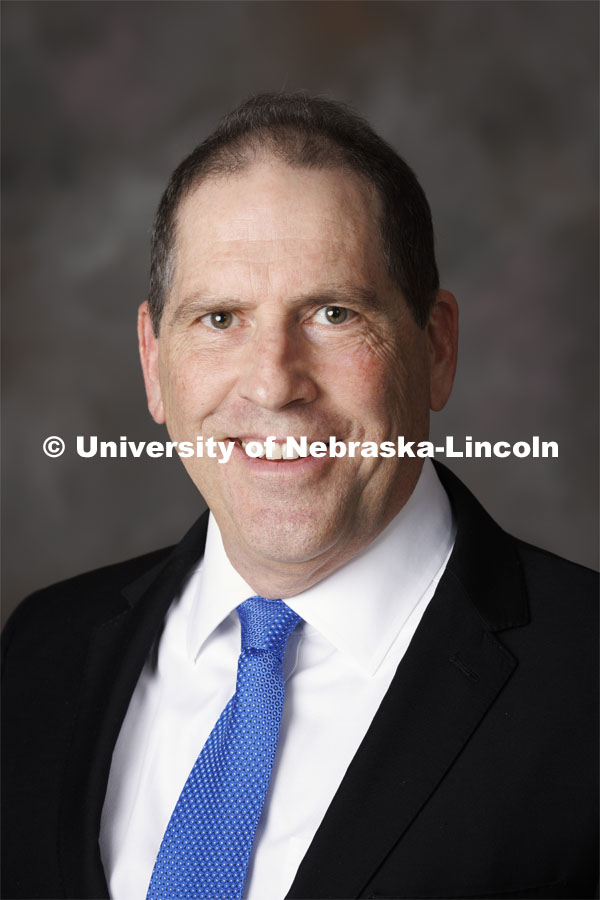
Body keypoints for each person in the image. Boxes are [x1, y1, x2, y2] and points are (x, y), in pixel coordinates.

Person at [2, 93, 597, 900]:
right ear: (153, 362)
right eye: (219, 318)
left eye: (333, 313)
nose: (275, 382)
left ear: (437, 347)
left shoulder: (583, 681)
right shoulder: (41, 651)